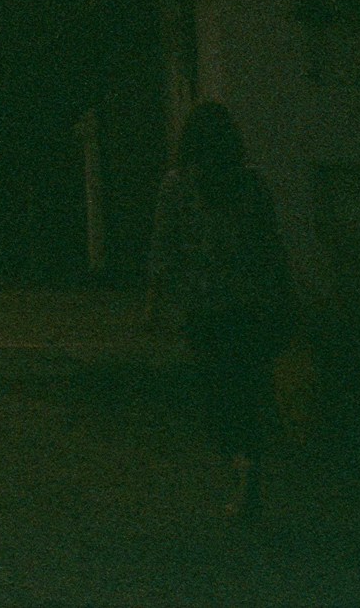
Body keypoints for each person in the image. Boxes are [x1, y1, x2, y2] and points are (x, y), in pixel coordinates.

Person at [143, 101, 293, 519]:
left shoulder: (177, 186)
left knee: (218, 394)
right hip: (250, 305)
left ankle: (240, 468)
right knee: (247, 390)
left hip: (204, 308)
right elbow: (270, 246)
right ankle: (250, 470)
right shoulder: (251, 184)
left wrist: (154, 304)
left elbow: (163, 248)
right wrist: (283, 297)